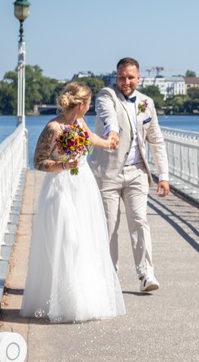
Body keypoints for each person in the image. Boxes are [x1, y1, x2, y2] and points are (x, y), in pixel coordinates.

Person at [21, 82, 125, 323]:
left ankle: (84, 298)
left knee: (85, 239)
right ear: (81, 105)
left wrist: (109, 143)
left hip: (82, 187)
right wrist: (63, 165)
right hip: (60, 189)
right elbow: (37, 162)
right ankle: (63, 301)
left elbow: (88, 138)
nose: (88, 109)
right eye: (88, 105)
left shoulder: (78, 123)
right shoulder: (53, 128)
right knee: (68, 239)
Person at [89, 57, 170, 293]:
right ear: (117, 77)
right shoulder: (106, 95)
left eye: (131, 77)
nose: (126, 82)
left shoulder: (146, 103)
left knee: (139, 221)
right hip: (108, 174)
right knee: (109, 226)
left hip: (137, 173)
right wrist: (112, 132)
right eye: (122, 77)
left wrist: (163, 175)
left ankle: (146, 274)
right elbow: (108, 116)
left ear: (138, 77)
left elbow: (155, 139)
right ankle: (109, 275)